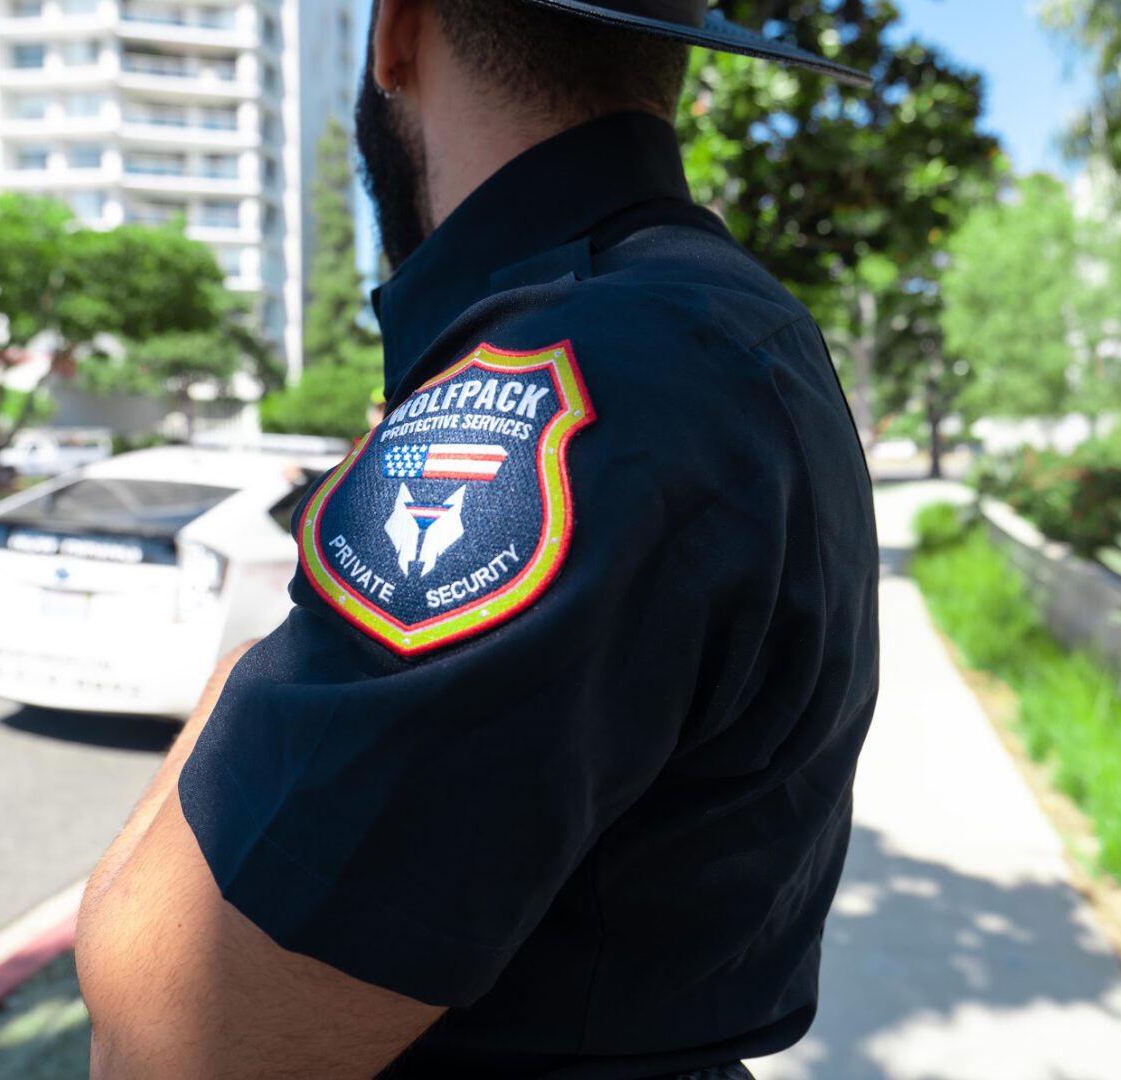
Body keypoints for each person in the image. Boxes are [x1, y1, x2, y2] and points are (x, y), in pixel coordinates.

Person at [75, 1, 880, 1077]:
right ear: (671, 65)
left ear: (395, 36)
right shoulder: (719, 324)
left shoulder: (568, 373)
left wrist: (241, 681)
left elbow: (170, 1038)